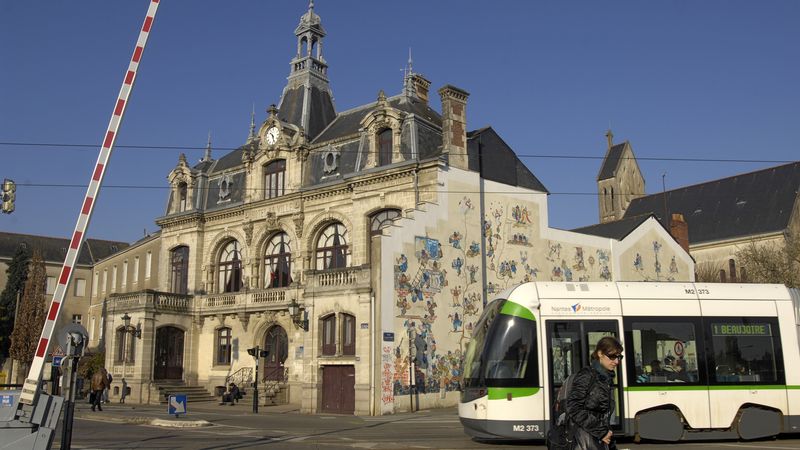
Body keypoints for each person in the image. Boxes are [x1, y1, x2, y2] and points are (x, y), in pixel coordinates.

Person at [566, 336, 623, 450]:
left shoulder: (605, 378)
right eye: (612, 356)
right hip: (585, 439)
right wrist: (601, 432)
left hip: (598, 438)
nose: (616, 361)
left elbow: (602, 414)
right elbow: (574, 407)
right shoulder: (587, 375)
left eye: (619, 357)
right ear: (600, 353)